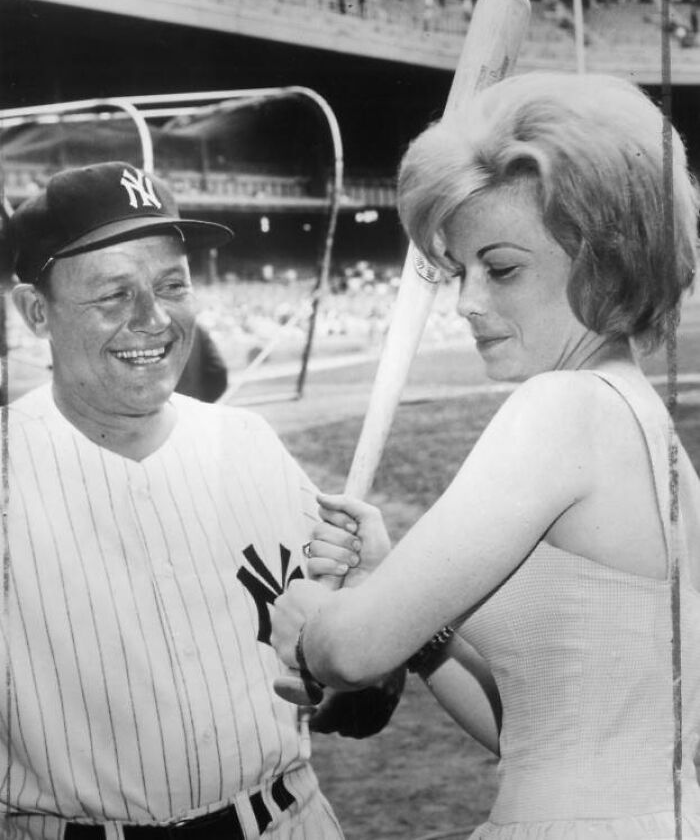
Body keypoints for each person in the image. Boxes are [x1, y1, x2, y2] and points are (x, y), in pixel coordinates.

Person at [270, 73, 700, 838]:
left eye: (500, 268)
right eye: (457, 269)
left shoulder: (562, 409)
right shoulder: (638, 418)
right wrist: (414, 609)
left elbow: (355, 648)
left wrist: (309, 621)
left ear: (606, 261)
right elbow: (525, 730)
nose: (467, 301)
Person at [1, 161, 402, 840]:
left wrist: (362, 642)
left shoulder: (249, 442)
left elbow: (356, 707)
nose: (153, 319)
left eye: (171, 284)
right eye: (112, 294)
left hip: (284, 820)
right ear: (36, 312)